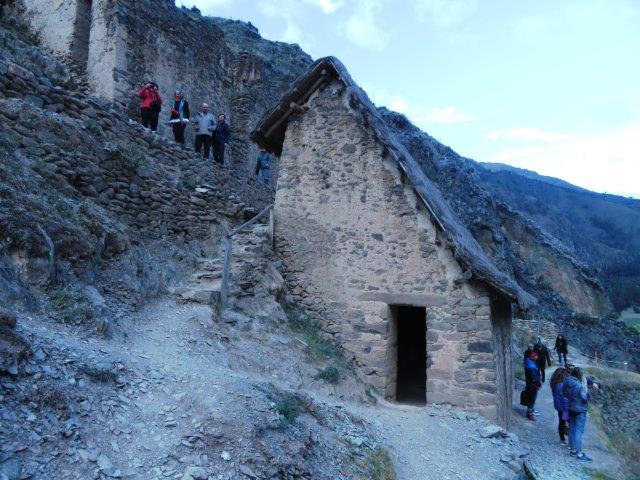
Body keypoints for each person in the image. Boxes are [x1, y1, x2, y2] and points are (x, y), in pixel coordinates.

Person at [563, 366, 598, 462]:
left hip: (570, 407)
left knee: (571, 429)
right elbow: (584, 398)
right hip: (580, 410)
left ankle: (573, 450)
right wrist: (590, 393)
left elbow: (563, 392)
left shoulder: (566, 381)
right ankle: (579, 454)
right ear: (579, 375)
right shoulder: (579, 385)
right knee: (578, 431)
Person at [550, 367, 570, 444]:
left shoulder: (554, 383)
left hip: (558, 406)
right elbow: (565, 398)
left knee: (561, 422)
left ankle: (562, 439)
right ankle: (568, 438)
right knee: (568, 422)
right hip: (565, 407)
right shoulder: (562, 385)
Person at [523, 350, 542, 421]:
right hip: (532, 385)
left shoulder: (529, 362)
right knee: (532, 399)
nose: (537, 357)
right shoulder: (531, 366)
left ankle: (531, 410)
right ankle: (529, 414)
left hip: (530, 384)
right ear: (532, 357)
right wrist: (538, 384)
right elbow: (533, 378)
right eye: (535, 356)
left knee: (531, 398)